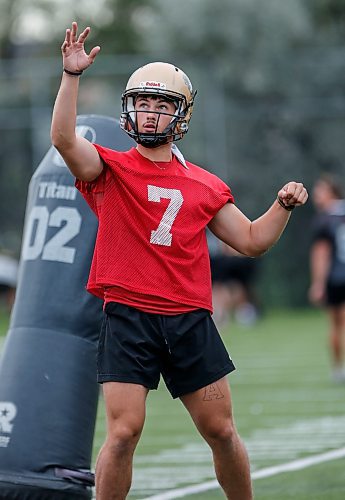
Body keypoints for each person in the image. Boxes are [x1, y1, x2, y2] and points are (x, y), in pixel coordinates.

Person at [50, 22, 308, 500]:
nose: (149, 114)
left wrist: (283, 206)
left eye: (161, 105)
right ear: (130, 110)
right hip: (128, 316)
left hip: (188, 320)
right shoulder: (109, 168)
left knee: (222, 432)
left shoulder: (205, 184)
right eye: (142, 104)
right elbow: (64, 138)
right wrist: (71, 76)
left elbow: (251, 241)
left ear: (180, 115)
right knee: (123, 432)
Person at [308, 174, 345, 383]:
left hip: (335, 278)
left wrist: (318, 283)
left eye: (320, 190)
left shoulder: (324, 219)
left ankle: (338, 369)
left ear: (332, 192)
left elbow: (321, 254)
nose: (316, 195)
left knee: (336, 325)